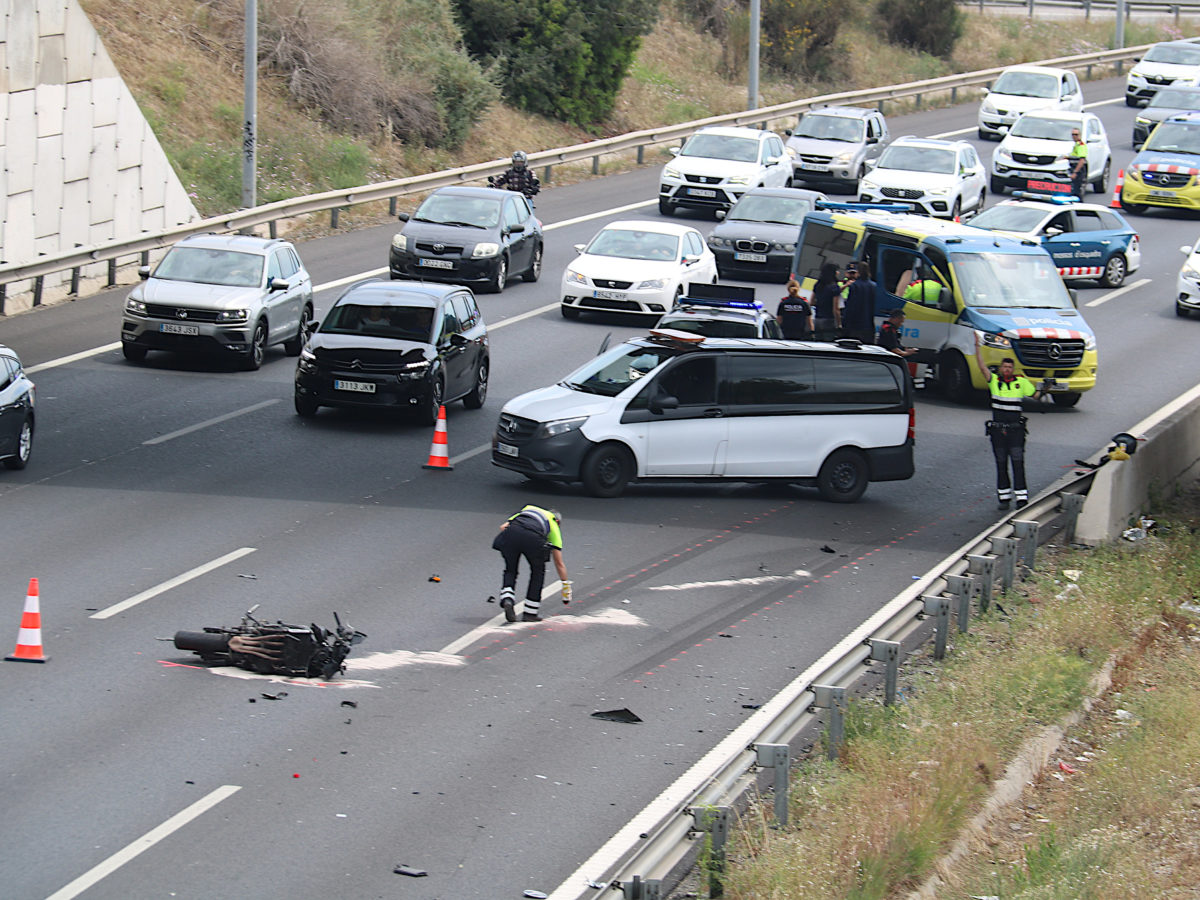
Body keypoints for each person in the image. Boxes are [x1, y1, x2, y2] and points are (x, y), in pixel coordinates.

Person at [975, 334, 1045, 510]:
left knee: (1017, 461)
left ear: (1013, 369)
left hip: (1015, 431)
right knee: (1001, 463)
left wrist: (1047, 388)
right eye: (1004, 367)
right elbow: (982, 367)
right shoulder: (994, 381)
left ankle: (1021, 497)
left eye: (1009, 367)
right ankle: (1004, 498)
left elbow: (1036, 396)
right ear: (1000, 369)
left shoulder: (1021, 382)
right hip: (998, 431)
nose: (1006, 369)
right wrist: (977, 348)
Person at [492, 505, 570, 622]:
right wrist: (565, 586)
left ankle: (507, 598)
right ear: (557, 521)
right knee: (538, 572)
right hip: (533, 537)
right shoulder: (553, 523)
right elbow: (559, 563)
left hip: (512, 532)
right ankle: (530, 613)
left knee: (510, 570)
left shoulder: (528, 509)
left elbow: (503, 527)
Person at [841, 260, 877, 345]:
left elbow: (850, 307)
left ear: (858, 272)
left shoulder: (854, 286)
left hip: (855, 324)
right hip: (868, 324)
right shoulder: (874, 286)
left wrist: (845, 323)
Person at [810, 263, 842, 341]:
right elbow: (835, 309)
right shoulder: (834, 287)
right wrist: (839, 325)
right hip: (829, 320)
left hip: (817, 319)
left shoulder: (818, 285)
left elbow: (811, 302)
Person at [1058, 127, 1087, 198]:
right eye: (1073, 134)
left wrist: (1075, 173)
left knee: (1076, 192)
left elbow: (1082, 160)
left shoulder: (1081, 145)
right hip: (1073, 168)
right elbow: (1075, 156)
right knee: (1072, 190)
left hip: (1078, 170)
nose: (1074, 136)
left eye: (1076, 134)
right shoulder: (1076, 144)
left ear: (1080, 135)